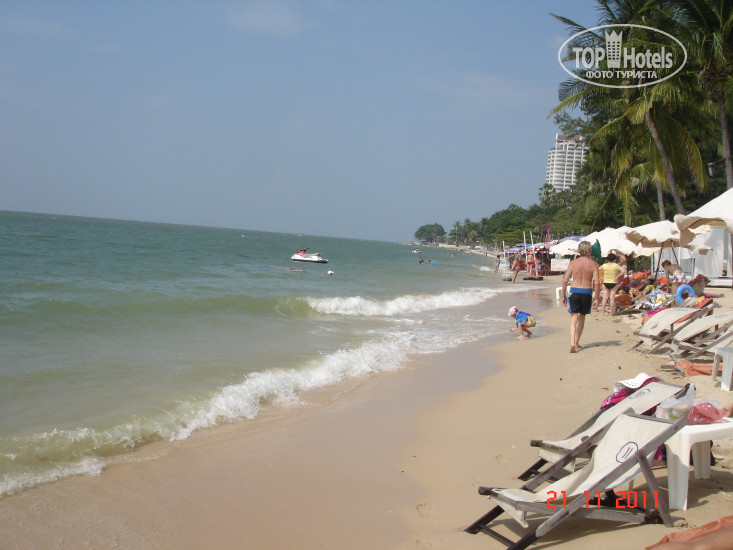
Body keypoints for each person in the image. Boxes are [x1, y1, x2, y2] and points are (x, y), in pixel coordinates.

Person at [561, 240, 601, 353]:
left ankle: (572, 341)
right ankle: (577, 342)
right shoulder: (594, 264)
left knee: (573, 317)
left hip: (574, 291)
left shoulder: (573, 263)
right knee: (582, 317)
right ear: (589, 250)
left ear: (579, 250)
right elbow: (596, 283)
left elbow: (565, 280)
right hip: (587, 292)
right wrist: (596, 298)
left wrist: (563, 295)